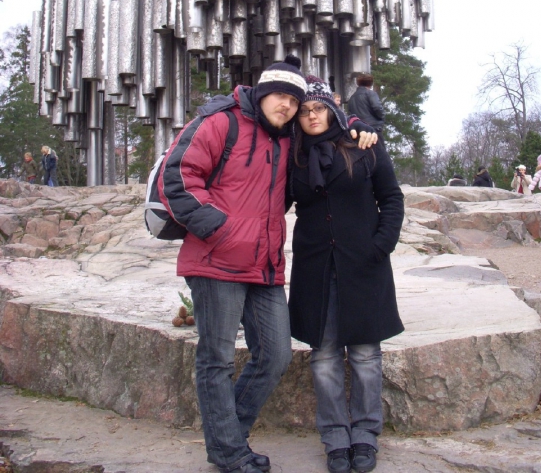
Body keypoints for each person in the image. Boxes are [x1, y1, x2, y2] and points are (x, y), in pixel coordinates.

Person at [158, 56, 378, 473]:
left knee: (276, 354)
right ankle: (229, 452)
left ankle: (228, 435)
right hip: (216, 260)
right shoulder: (220, 122)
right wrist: (220, 230)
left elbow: (323, 117)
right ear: (261, 92)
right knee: (217, 359)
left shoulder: (288, 136)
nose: (288, 106)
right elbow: (178, 176)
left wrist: (355, 123)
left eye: (294, 101)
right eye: (280, 96)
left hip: (263, 266)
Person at [288, 76, 404, 473]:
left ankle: (366, 433)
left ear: (332, 110)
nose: (312, 116)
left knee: (366, 355)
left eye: (319, 108)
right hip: (315, 267)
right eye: (304, 111)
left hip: (363, 264)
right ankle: (335, 437)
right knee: (323, 357)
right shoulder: (294, 157)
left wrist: (380, 245)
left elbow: (391, 198)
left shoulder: (363, 145)